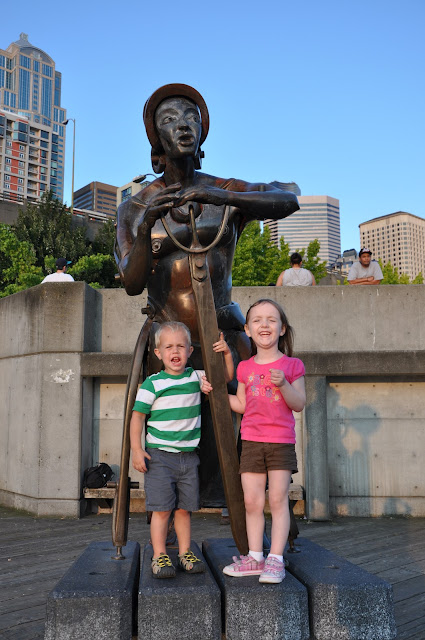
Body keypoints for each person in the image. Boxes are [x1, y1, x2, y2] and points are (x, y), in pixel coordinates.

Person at [115, 83, 300, 506]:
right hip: (170, 342)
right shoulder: (136, 207)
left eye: (191, 117)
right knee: (168, 438)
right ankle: (167, 523)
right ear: (156, 139)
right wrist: (146, 231)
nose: (183, 125)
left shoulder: (224, 190)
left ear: (202, 131)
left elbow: (287, 198)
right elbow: (131, 281)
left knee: (238, 436)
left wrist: (223, 197)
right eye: (169, 119)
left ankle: (247, 518)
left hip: (223, 335)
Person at [129, 321, 233, 578]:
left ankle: (185, 552)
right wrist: (136, 449)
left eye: (180, 346)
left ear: (189, 351)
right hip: (160, 456)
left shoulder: (196, 377)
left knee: (184, 509)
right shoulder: (152, 384)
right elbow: (137, 417)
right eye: (168, 347)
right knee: (162, 509)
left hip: (189, 457)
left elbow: (225, 378)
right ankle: (159, 555)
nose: (174, 351)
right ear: (158, 353)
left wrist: (227, 354)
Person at [222, 299, 306, 584]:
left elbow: (299, 404)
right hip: (251, 441)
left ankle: (276, 559)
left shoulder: (292, 365)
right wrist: (217, 394)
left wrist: (284, 384)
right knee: (252, 501)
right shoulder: (244, 368)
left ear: (282, 328)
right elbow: (242, 405)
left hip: (280, 442)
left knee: (278, 499)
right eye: (257, 320)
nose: (264, 325)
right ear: (247, 330)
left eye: (271, 319)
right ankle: (255, 557)